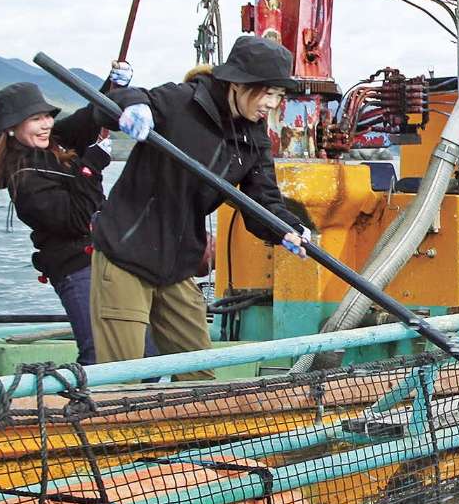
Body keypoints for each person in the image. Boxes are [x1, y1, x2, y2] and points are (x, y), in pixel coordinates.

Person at [92, 35, 309, 377]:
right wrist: (134, 108)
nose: (271, 104)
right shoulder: (182, 101)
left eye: (278, 96)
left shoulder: (253, 138)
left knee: (200, 375)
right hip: (125, 251)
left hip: (178, 262)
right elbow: (116, 102)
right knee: (122, 375)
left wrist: (286, 227)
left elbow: (262, 201)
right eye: (267, 93)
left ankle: (201, 430)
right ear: (239, 84)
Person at [0, 70, 127, 366]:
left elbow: (88, 118)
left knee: (142, 350)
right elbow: (76, 220)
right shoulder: (24, 178)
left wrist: (113, 85)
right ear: (10, 128)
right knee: (95, 352)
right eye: (35, 119)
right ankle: (87, 408)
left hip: (107, 259)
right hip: (76, 268)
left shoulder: (53, 143)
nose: (45, 124)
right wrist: (91, 167)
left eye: (47, 116)